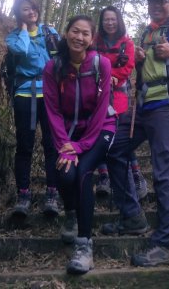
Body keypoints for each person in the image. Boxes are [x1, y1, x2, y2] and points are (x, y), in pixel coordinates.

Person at [103, 0, 169, 267]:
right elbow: (142, 70)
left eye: (161, 2)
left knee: (164, 171)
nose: (155, 6)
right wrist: (139, 60)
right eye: (151, 2)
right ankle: (133, 216)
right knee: (113, 147)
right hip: (145, 107)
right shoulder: (146, 33)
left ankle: (168, 244)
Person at [43, 15, 116, 274]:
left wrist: (81, 147)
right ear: (66, 33)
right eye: (75, 31)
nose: (79, 37)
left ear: (92, 39)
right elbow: (51, 110)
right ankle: (72, 214)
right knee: (64, 173)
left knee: (83, 172)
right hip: (69, 134)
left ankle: (84, 245)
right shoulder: (53, 67)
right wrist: (64, 144)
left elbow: (99, 112)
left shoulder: (101, 65)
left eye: (85, 33)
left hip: (101, 129)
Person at [5, 0, 60, 217]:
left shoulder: (50, 33)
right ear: (18, 14)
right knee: (25, 145)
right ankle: (24, 195)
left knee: (52, 144)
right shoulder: (13, 38)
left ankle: (52, 194)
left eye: (33, 8)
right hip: (25, 94)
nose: (31, 12)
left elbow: (60, 58)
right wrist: (25, 30)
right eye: (25, 10)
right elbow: (22, 51)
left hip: (49, 93)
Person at [94, 6, 147, 201]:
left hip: (118, 95)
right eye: (106, 19)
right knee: (99, 134)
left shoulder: (127, 43)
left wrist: (111, 77)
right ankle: (104, 175)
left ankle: (135, 173)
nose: (109, 22)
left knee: (120, 137)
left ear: (119, 20)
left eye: (113, 19)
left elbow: (128, 66)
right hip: (97, 95)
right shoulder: (95, 41)